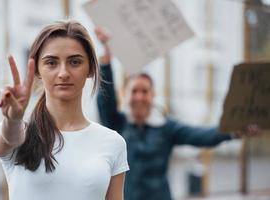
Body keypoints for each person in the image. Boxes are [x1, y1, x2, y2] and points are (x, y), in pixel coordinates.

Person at [95, 27, 261, 200]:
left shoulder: (166, 127)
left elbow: (202, 136)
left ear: (152, 96)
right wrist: (106, 55)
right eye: (134, 91)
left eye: (145, 91)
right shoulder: (116, 123)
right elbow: (105, 99)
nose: (139, 97)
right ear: (126, 95)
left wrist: (235, 130)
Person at [0, 20, 129, 200]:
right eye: (51, 63)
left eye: (74, 62)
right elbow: (8, 138)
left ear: (90, 69)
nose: (63, 73)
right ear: (38, 70)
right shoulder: (18, 133)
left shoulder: (113, 142)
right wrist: (13, 120)